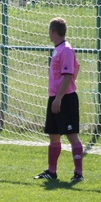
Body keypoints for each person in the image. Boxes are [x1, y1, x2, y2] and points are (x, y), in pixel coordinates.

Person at [35, 18, 83, 183]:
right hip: (55, 97)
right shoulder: (58, 49)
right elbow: (77, 66)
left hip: (64, 99)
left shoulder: (66, 49)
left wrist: (60, 98)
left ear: (52, 32)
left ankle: (78, 173)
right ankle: (52, 171)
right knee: (54, 135)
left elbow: (68, 75)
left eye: (49, 31)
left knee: (71, 135)